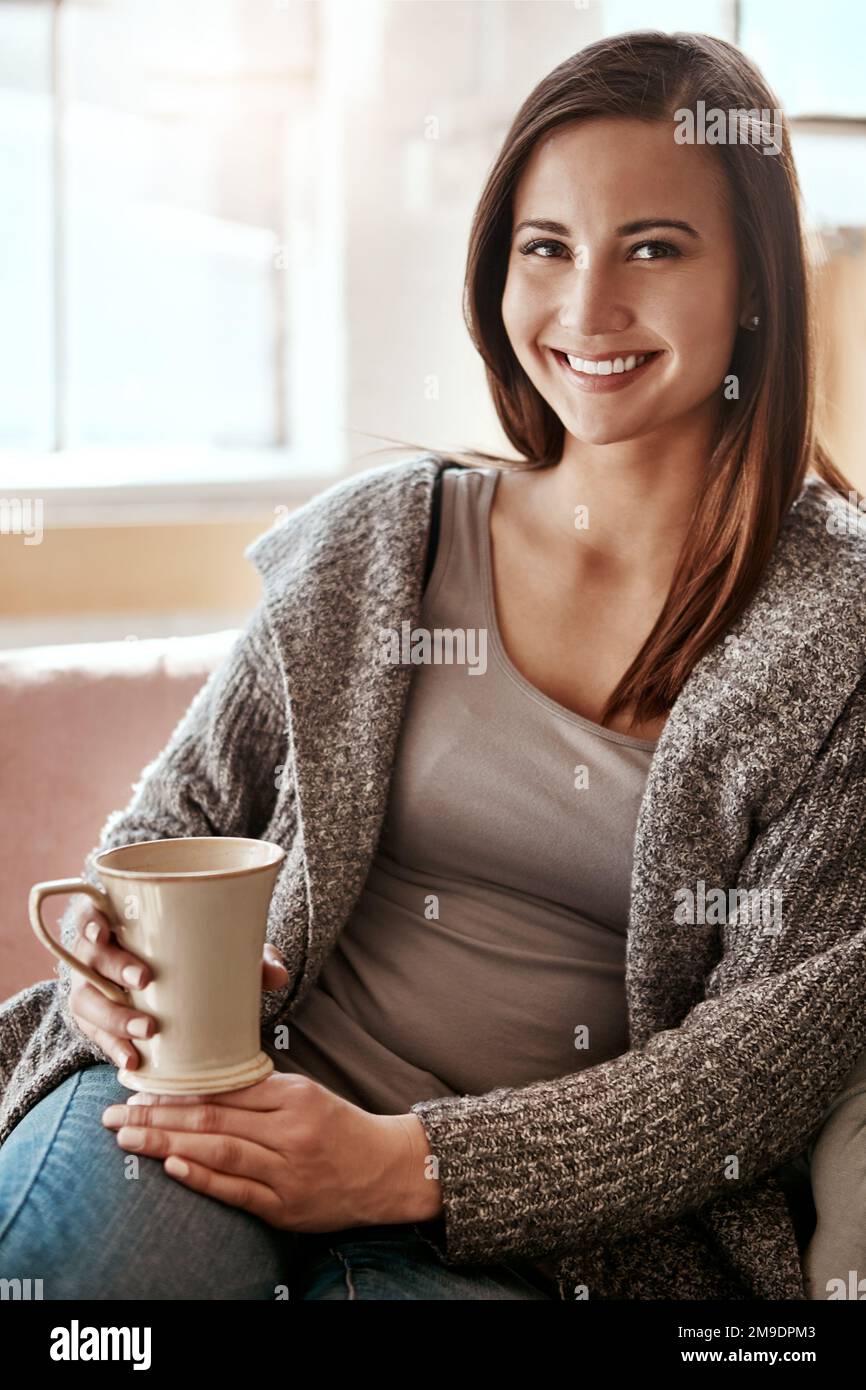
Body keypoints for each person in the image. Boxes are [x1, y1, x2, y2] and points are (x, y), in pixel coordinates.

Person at [3, 29, 866, 1302]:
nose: (586, 310)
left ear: (751, 283)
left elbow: (762, 1054)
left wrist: (408, 1166)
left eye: (653, 246)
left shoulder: (838, 630)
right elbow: (170, 825)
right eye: (546, 247)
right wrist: (107, 964)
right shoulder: (380, 541)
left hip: (546, 1239)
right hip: (222, 1098)